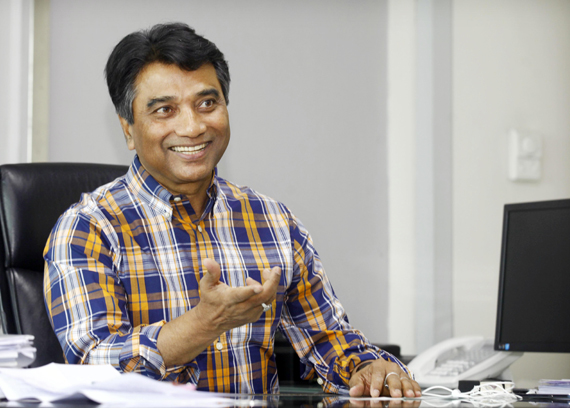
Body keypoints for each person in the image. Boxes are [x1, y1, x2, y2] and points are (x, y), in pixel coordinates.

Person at [43, 22, 421, 398]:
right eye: (165, 110)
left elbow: (331, 341)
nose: (193, 127)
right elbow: (93, 366)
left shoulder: (273, 222)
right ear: (128, 129)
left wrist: (369, 369)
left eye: (207, 104)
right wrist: (204, 324)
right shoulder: (88, 228)